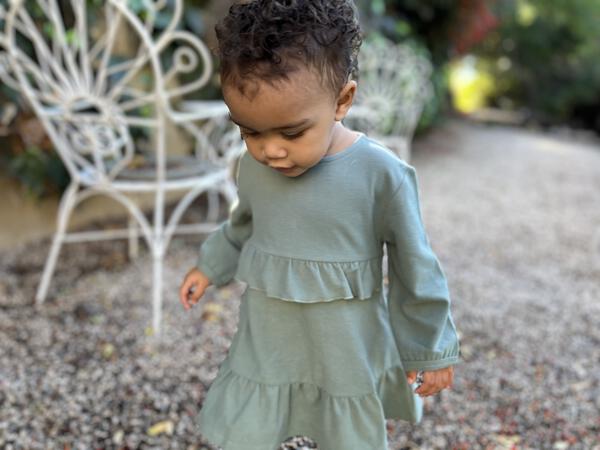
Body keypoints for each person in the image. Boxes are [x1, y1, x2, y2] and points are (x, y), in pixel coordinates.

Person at [178, 1, 462, 448]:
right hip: (269, 331)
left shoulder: (381, 175)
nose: (270, 151)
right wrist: (209, 267)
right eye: (250, 132)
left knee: (345, 429)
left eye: (291, 133)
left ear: (342, 101)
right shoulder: (254, 169)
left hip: (344, 343)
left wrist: (431, 348)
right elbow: (243, 225)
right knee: (251, 425)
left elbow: (415, 267)